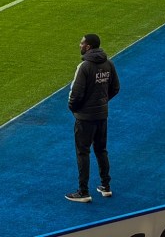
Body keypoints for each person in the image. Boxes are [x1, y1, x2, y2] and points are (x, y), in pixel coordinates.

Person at [65, 33, 120, 203]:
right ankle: (106, 186)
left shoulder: (85, 67)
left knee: (83, 152)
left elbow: (76, 94)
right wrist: (101, 102)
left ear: (88, 46)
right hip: (101, 114)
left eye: (81, 43)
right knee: (101, 150)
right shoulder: (108, 64)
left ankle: (83, 191)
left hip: (85, 117)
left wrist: (75, 108)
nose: (79, 45)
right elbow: (115, 88)